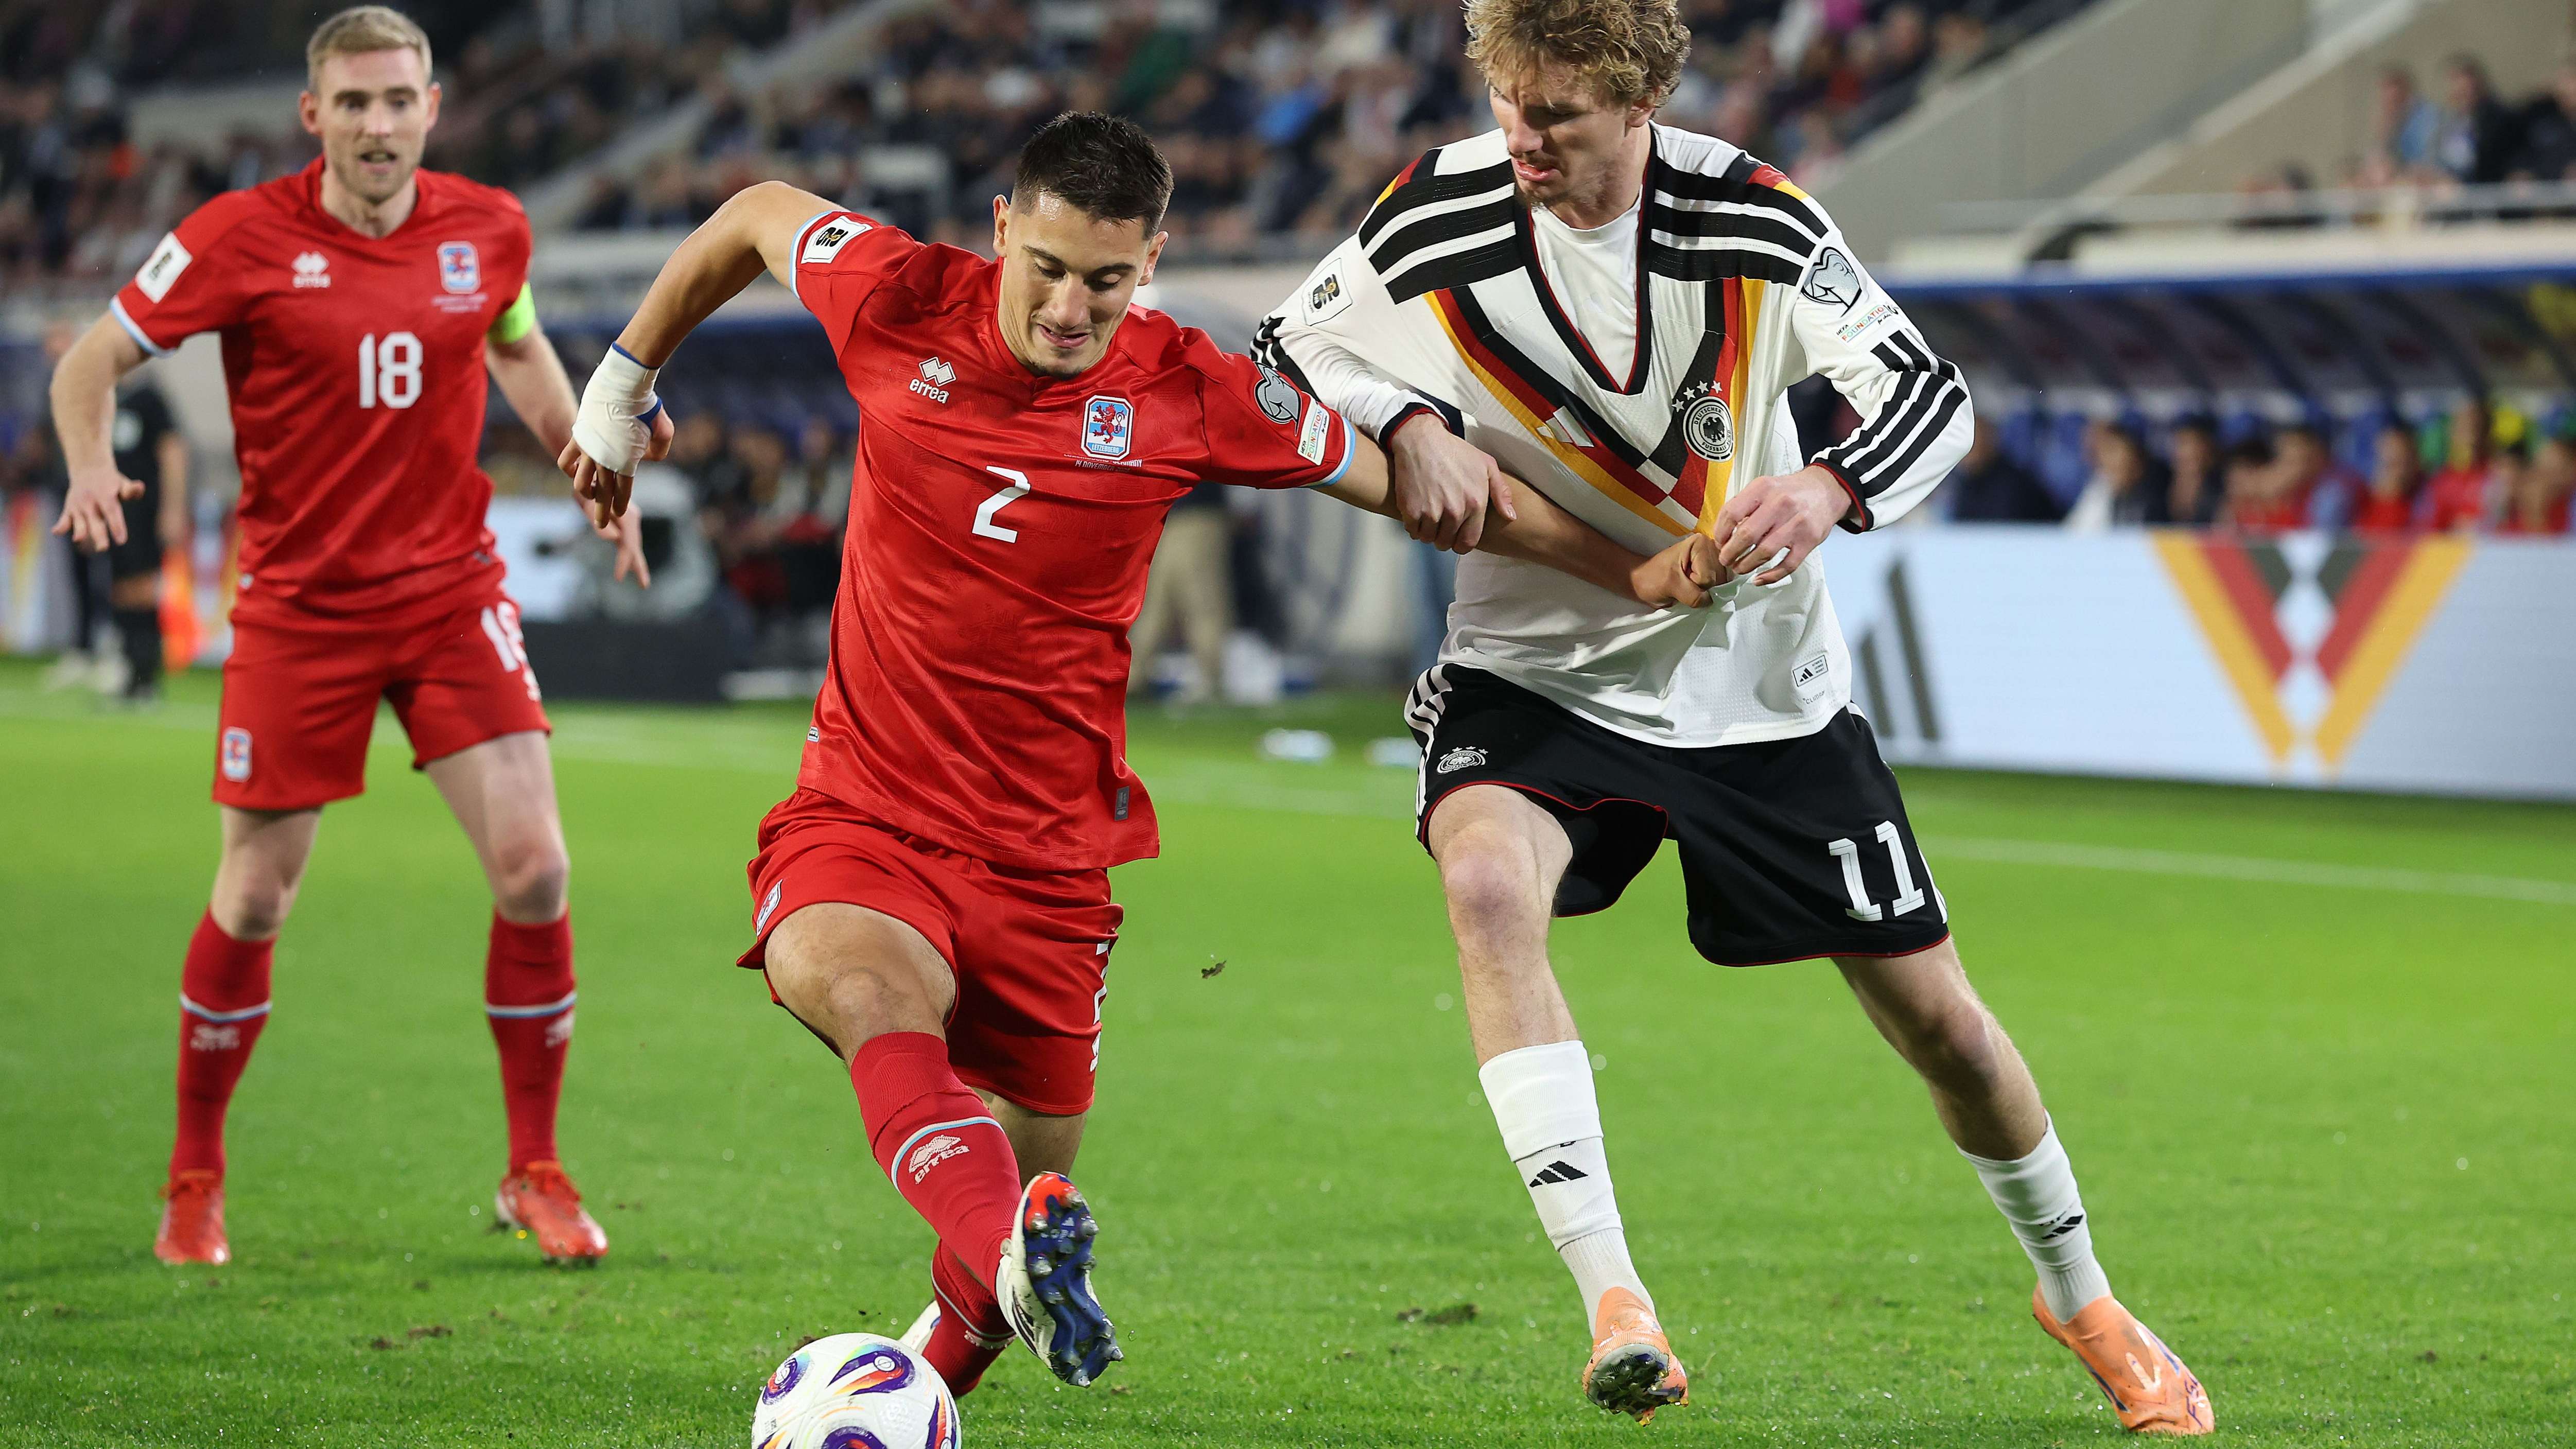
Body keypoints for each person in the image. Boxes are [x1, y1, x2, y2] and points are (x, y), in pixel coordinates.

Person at [557, 111, 1724, 1403]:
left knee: (1015, 1196)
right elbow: (753, 211)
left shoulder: (1188, 388)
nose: (1067, 307)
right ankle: (1000, 1258)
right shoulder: (894, 294)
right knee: (863, 990)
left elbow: (1442, 500)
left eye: (1105, 280)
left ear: (1152, 258)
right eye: (1044, 267)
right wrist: (620, 391)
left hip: (1052, 868)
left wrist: (1630, 566)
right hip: (869, 812)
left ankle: (915, 1391)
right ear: (999, 228)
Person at [1256, 0, 2212, 1433]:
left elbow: (1928, 397)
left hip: (1756, 685)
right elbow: (1283, 352)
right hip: (1537, 666)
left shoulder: (1752, 214)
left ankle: (2079, 1289)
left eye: (1559, 111)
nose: (1522, 134)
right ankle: (1612, 1295)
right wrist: (1402, 424)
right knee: (1483, 887)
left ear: (1639, 102)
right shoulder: (1435, 213)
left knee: (1942, 1024)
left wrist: (1825, 487)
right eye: (1509, 100)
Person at [47, 5, 652, 1269]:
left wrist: (592, 461)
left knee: (537, 871)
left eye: (400, 100)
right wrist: (93, 464)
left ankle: (534, 1169)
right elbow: (88, 362)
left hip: (449, 594)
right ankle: (193, 1179)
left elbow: (523, 353)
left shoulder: (491, 227)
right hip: (300, 607)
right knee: (257, 896)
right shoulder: (236, 236)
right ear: (311, 116)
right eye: (354, 103)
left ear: (434, 107)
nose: (380, 124)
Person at [36, 317, 189, 701]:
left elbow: (173, 453)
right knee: (120, 587)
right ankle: (128, 669)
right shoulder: (109, 400)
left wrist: (172, 508)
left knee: (140, 587)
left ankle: (145, 673)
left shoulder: (150, 398)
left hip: (145, 508)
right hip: (116, 511)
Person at [1944, 415, 2061, 522]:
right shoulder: (1963, 485)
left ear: (1989, 439)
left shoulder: (2013, 485)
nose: (1967, 453)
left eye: (1972, 444)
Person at [2062, 420, 2165, 531]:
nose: (2107, 461)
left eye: (2113, 450)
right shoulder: (2104, 486)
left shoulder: (2161, 488)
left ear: (2135, 452)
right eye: (2103, 453)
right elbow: (2075, 531)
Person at [2352, 421, 2426, 533]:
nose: (2400, 473)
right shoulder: (2359, 500)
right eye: (2391, 464)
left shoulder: (2426, 496)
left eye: (2405, 462)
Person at [2153, 415, 2222, 526]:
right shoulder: (2158, 485)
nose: (2190, 452)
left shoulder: (2221, 489)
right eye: (2183, 443)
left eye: (2197, 444)